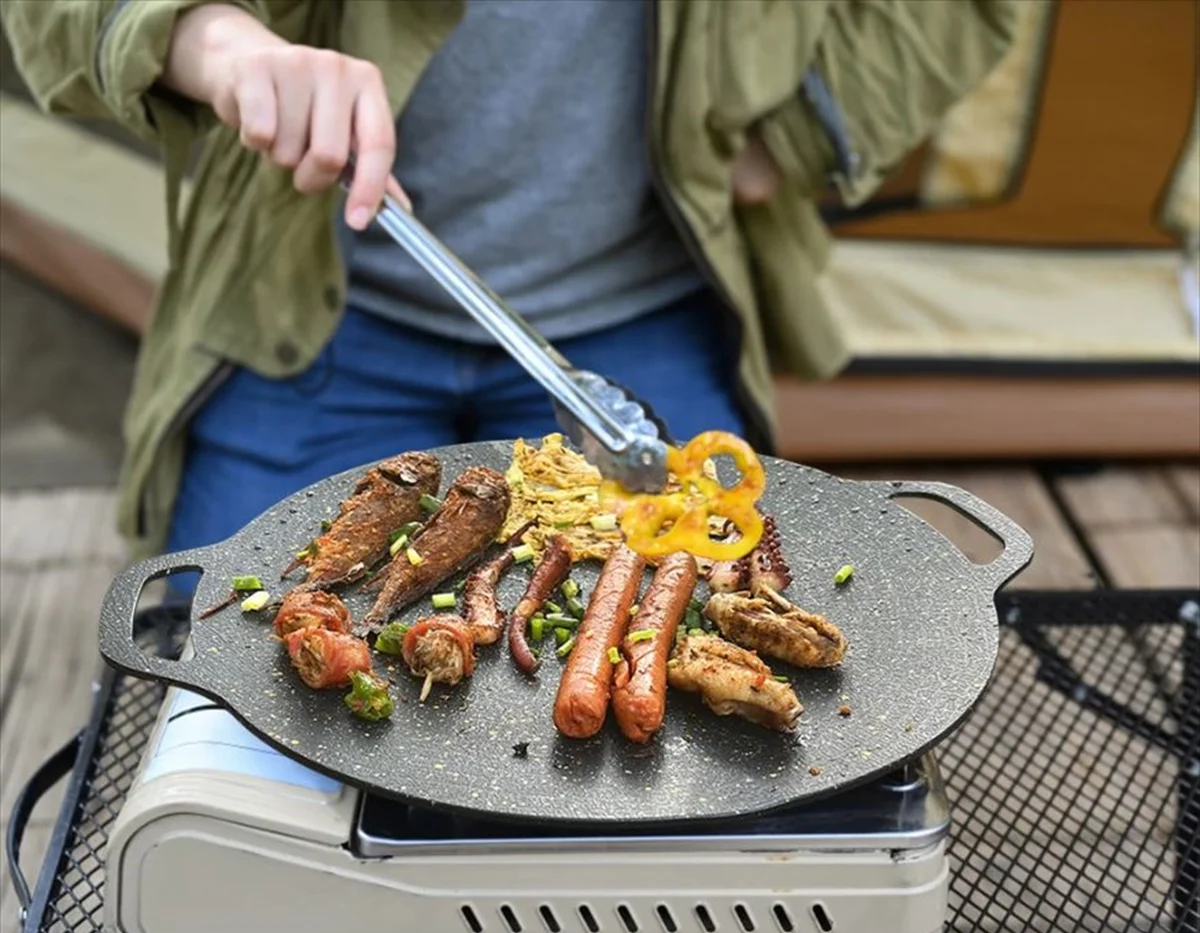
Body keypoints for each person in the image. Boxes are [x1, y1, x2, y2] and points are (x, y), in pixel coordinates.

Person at [2, 0, 1018, 557]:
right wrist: (216, 44)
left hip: (638, 314)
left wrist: (811, 126)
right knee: (230, 692)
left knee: (712, 628)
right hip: (305, 320)